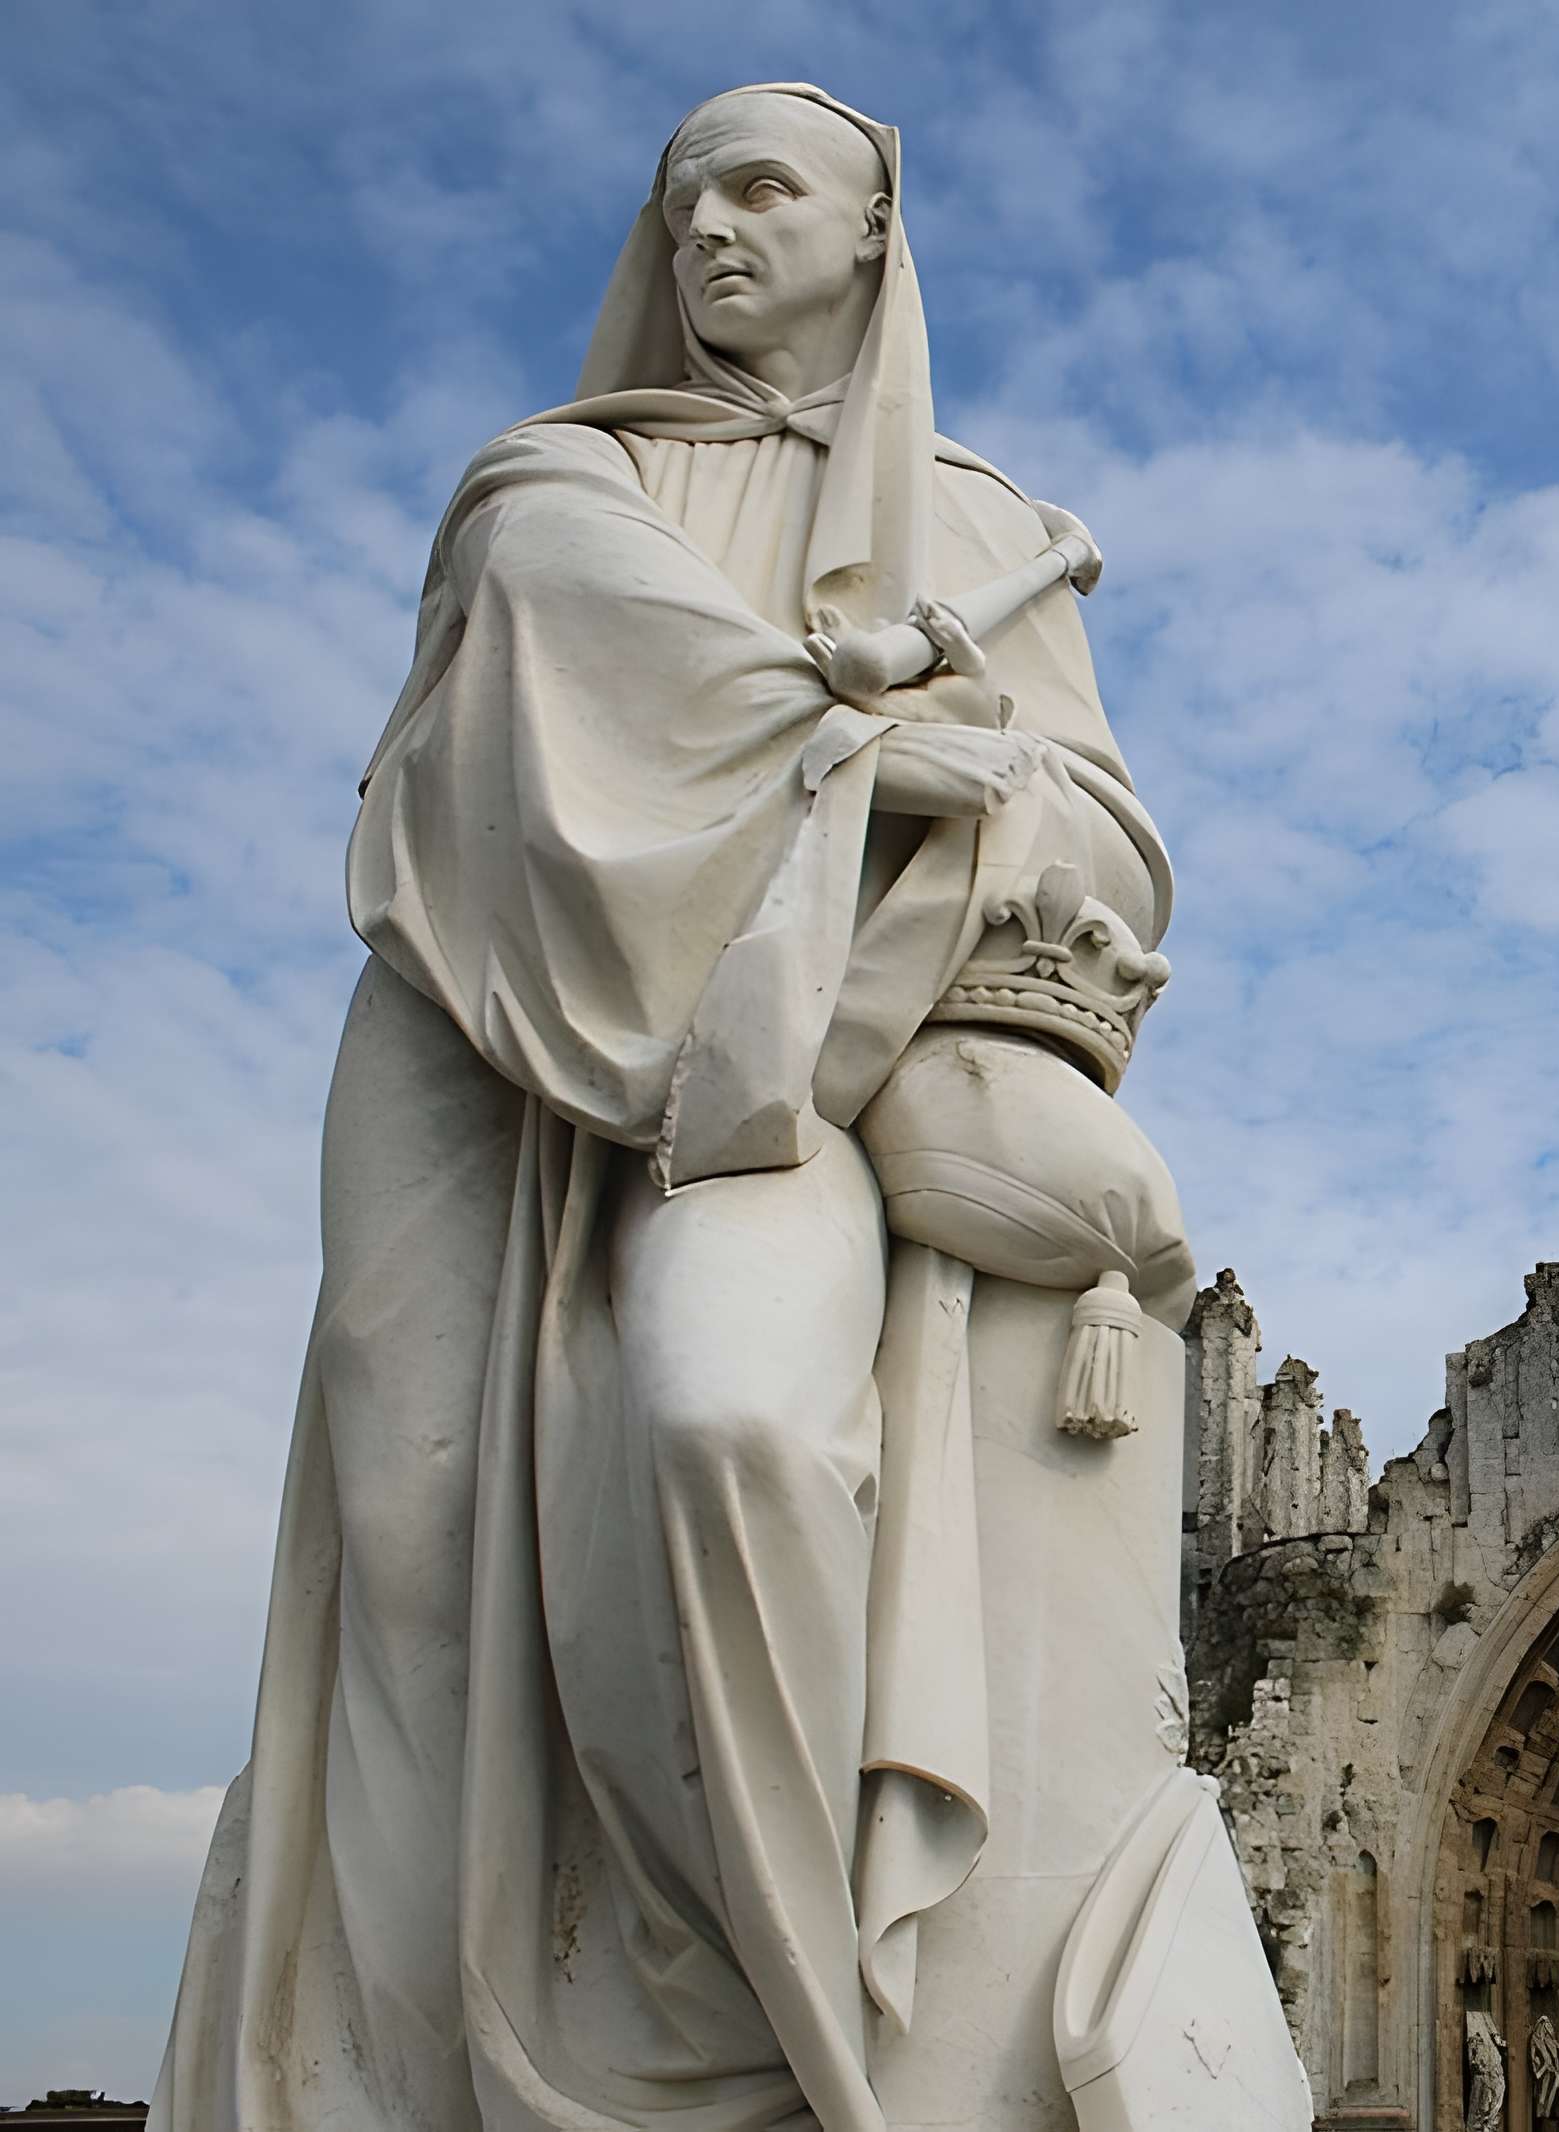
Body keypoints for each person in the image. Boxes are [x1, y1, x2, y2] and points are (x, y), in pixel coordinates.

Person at [154, 85, 1155, 2132]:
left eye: (764, 189)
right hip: (473, 1021)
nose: (712, 225)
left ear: (874, 237)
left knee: (729, 1418)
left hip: (778, 1073)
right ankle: (401, 2063)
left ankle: (772, 2033)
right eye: (682, 195)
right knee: (410, 1522)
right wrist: (838, 737)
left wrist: (975, 795)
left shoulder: (977, 523)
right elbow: (496, 760)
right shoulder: (549, 481)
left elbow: (1107, 844)